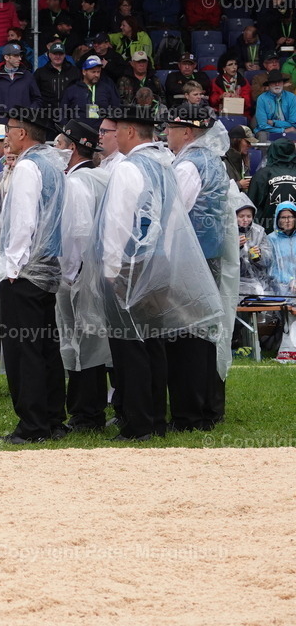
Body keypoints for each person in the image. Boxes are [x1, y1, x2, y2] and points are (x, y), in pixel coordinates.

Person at [89, 103, 222, 441]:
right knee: (153, 343)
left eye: (117, 130)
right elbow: (175, 221)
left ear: (130, 131)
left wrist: (111, 269)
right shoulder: (164, 165)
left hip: (130, 265)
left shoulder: (129, 168)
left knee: (130, 346)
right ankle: (156, 420)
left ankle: (139, 424)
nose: (114, 136)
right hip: (158, 263)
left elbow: (118, 223)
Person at [163, 106, 238, 430]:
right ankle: (208, 408)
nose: (166, 133)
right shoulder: (214, 162)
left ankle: (189, 415)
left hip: (188, 263)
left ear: (187, 132)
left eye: (171, 128)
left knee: (186, 339)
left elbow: (173, 219)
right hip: (210, 259)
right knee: (205, 335)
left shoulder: (188, 166)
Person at [0, 108, 66, 444]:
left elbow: (23, 220)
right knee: (46, 347)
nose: (6, 136)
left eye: (9, 129)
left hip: (25, 271)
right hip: (48, 266)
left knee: (24, 350)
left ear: (22, 133)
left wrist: (12, 266)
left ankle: (33, 425)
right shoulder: (52, 163)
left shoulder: (27, 166)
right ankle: (52, 418)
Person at [54, 119, 112, 432]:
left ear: (72, 148)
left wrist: (70, 275)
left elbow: (77, 233)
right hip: (100, 272)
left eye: (60, 145)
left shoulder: (77, 182)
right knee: (94, 340)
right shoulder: (101, 176)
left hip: (80, 274)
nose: (56, 150)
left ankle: (86, 413)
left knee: (79, 342)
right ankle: (92, 408)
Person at [0, 43, 42, 124]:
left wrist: (29, 114)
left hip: (24, 123)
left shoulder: (27, 75)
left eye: (20, 55)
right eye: (16, 56)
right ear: (6, 57)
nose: (20, 58)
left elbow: (37, 99)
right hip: (3, 124)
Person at [236, 195, 275, 296]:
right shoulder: (228, 232)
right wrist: (236, 247)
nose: (245, 220)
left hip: (259, 283)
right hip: (236, 283)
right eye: (241, 216)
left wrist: (259, 255)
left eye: (249, 216)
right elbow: (224, 261)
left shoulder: (259, 232)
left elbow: (269, 259)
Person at [60, 55, 121, 121]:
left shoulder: (107, 88)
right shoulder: (72, 89)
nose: (96, 75)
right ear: (84, 72)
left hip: (102, 127)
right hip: (78, 126)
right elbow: (62, 112)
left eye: (98, 72)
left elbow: (116, 109)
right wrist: (65, 126)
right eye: (93, 72)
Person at [254, 69, 296, 139]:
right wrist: (282, 130)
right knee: (262, 135)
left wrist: (274, 123)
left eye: (279, 82)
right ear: (269, 84)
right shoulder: (262, 98)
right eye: (273, 82)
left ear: (283, 83)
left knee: (294, 131)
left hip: (288, 130)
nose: (277, 84)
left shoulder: (292, 98)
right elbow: (262, 125)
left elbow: (293, 124)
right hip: (268, 130)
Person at [209, 54, 251, 119]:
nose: (234, 67)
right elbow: (212, 101)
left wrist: (240, 98)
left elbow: (248, 103)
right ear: (223, 68)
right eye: (230, 64)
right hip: (221, 114)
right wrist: (220, 97)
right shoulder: (216, 82)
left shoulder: (243, 81)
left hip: (240, 113)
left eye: (235, 64)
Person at [267, 203, 296, 294]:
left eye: (290, 217)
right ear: (277, 219)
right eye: (283, 217)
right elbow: (267, 265)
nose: (287, 221)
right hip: (277, 289)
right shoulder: (271, 239)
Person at [223, 125, 256, 193]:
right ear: (236, 141)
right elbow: (217, 189)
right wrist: (239, 185)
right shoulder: (222, 160)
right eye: (247, 142)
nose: (250, 145)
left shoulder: (244, 160)